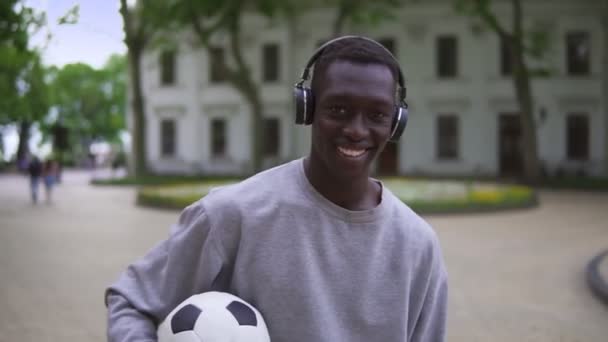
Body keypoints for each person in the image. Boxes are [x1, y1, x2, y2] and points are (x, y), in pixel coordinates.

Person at [106, 36, 448, 342]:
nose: (356, 130)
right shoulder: (232, 214)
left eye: (377, 115)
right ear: (307, 108)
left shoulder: (418, 245)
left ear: (396, 123)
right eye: (338, 109)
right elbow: (131, 301)